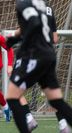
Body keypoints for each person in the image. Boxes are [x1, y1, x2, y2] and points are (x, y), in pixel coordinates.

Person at [5, 0, 72, 132]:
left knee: (12, 97)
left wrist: (20, 43)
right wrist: (14, 38)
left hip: (33, 55)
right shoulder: (46, 7)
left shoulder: (23, 5)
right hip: (49, 55)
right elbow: (54, 38)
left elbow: (34, 23)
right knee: (56, 100)